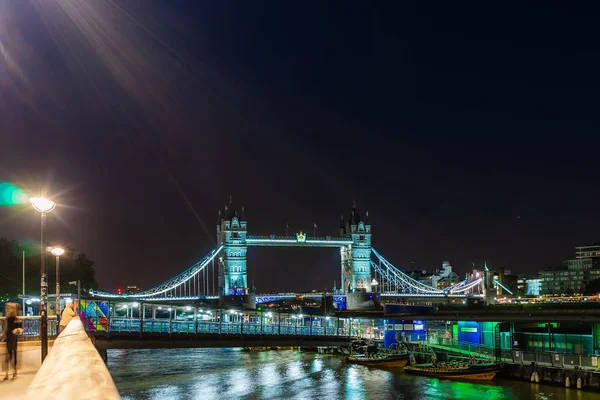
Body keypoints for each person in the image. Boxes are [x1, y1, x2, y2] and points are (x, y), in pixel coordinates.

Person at [1, 303, 23, 380]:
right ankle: (7, 373)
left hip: (13, 338)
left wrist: (17, 330)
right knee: (8, 355)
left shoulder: (16, 319)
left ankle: (14, 371)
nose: (7, 310)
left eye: (9, 308)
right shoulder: (7, 319)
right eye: (7, 308)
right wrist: (3, 335)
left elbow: (21, 329)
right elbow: (6, 329)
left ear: (13, 309)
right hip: (8, 339)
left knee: (13, 354)